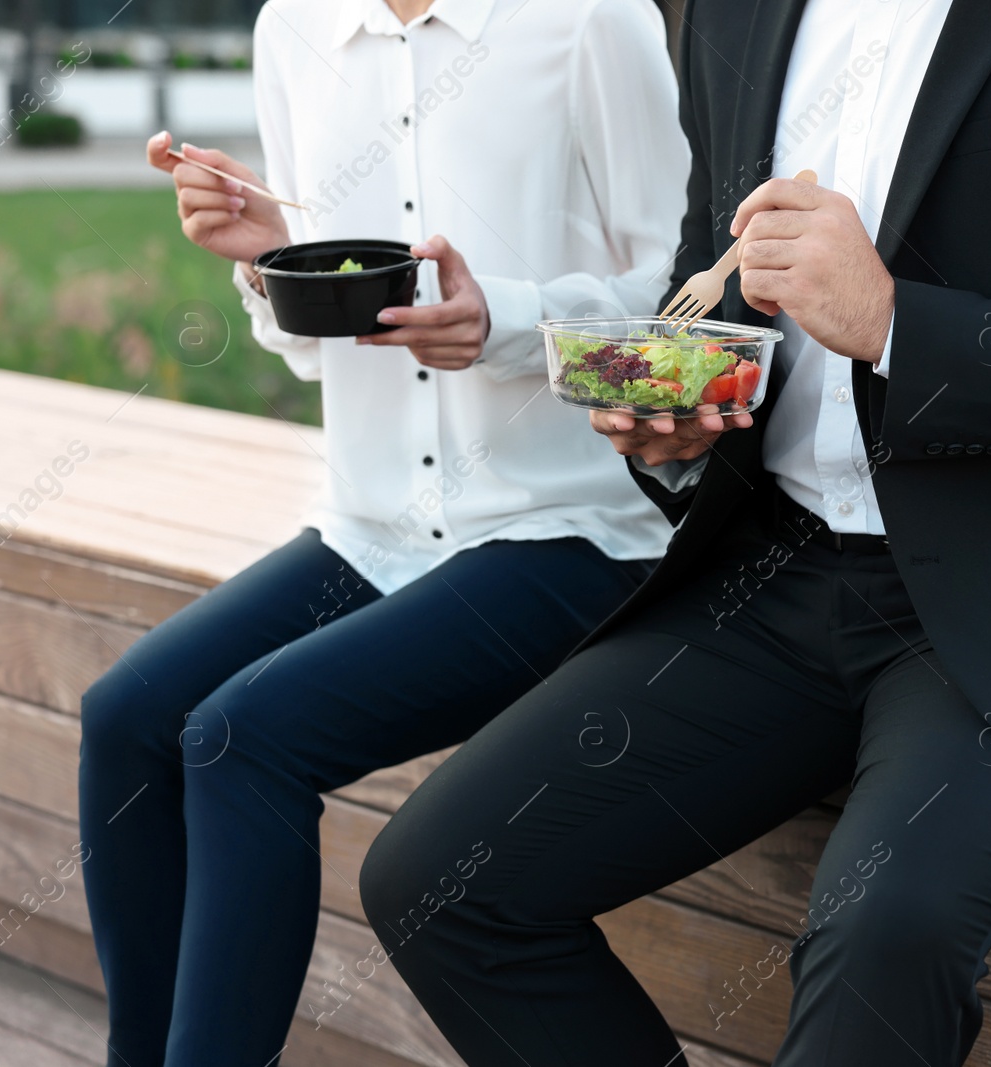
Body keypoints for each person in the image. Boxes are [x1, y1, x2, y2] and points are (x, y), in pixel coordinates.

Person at [360, 0, 991, 1064]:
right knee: (437, 883)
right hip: (769, 580)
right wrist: (676, 409)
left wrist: (898, 323)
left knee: (880, 932)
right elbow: (715, 267)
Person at [76, 0, 688, 1063]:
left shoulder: (590, 18)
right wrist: (269, 259)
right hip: (373, 529)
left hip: (570, 529)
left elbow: (681, 310)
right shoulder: (293, 28)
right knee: (126, 715)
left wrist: (504, 322)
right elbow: (323, 346)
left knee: (240, 737)